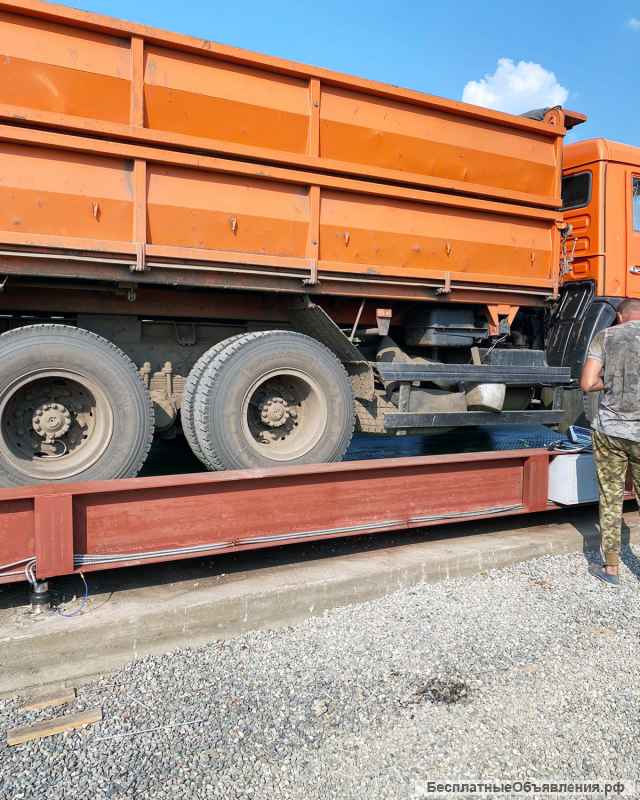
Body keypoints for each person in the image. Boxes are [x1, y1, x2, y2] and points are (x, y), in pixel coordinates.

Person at [580, 298, 640, 585]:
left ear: (619, 316)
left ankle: (611, 568)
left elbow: (588, 383)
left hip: (610, 431)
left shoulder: (605, 336)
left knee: (611, 497)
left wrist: (612, 380)